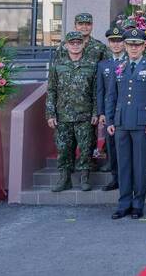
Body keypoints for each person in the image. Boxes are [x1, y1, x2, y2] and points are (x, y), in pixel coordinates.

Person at [106, 29, 146, 220]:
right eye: (130, 44)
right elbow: (111, 96)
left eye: (137, 44)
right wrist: (110, 120)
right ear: (125, 46)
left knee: (139, 166)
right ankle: (123, 204)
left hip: (142, 123)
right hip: (121, 122)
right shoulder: (119, 66)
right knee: (123, 165)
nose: (134, 48)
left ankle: (138, 204)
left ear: (144, 46)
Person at [46, 31, 98, 192]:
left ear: (83, 44)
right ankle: (64, 178)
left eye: (78, 43)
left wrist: (95, 112)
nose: (75, 46)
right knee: (63, 149)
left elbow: (96, 92)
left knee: (86, 148)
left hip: (85, 115)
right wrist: (50, 114)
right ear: (66, 45)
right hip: (63, 116)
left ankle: (84, 178)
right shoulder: (58, 65)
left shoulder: (91, 65)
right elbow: (51, 91)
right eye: (72, 43)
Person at [96, 27, 127, 191]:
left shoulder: (131, 61)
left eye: (119, 41)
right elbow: (100, 90)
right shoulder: (103, 65)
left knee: (127, 147)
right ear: (108, 43)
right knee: (112, 147)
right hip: (110, 112)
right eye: (112, 41)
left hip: (127, 110)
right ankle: (115, 178)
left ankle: (129, 179)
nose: (116, 44)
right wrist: (101, 112)